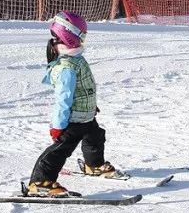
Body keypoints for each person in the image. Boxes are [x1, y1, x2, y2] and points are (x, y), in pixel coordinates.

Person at [27, 11, 120, 198]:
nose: (82, 40)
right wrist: (58, 126)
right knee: (60, 150)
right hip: (73, 119)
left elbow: (84, 87)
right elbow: (63, 99)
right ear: (69, 35)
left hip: (86, 115)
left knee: (96, 136)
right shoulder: (66, 68)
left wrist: (91, 106)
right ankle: (40, 182)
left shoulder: (76, 58)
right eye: (81, 36)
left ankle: (93, 165)